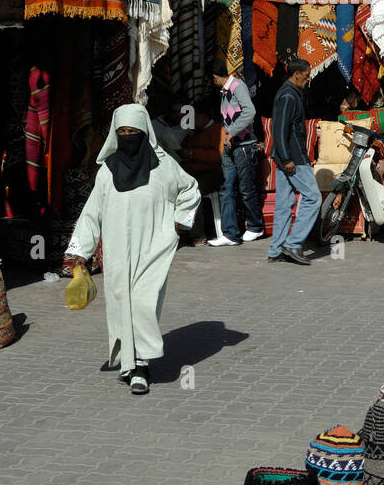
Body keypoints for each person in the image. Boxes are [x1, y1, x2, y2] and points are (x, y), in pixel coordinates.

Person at [65, 104, 200, 396]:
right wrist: (81, 252)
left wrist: (179, 222)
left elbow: (190, 189)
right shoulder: (106, 172)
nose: (127, 137)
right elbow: (92, 214)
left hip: (153, 249)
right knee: (121, 306)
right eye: (122, 132)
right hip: (116, 254)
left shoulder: (164, 166)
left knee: (142, 303)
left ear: (144, 133)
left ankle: (140, 366)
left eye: (133, 132)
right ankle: (130, 365)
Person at [268, 57, 322, 265]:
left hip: (287, 157)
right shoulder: (289, 96)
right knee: (313, 197)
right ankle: (293, 243)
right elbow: (279, 129)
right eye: (306, 76)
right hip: (293, 158)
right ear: (296, 74)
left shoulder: (290, 93)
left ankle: (276, 250)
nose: (308, 80)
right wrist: (287, 158)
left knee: (284, 203)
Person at [209, 59, 265, 247]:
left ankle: (256, 227)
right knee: (226, 188)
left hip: (244, 146)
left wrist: (232, 132)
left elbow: (250, 111)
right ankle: (230, 233)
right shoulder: (224, 92)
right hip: (230, 147)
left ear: (216, 77)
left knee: (246, 189)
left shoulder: (237, 86)